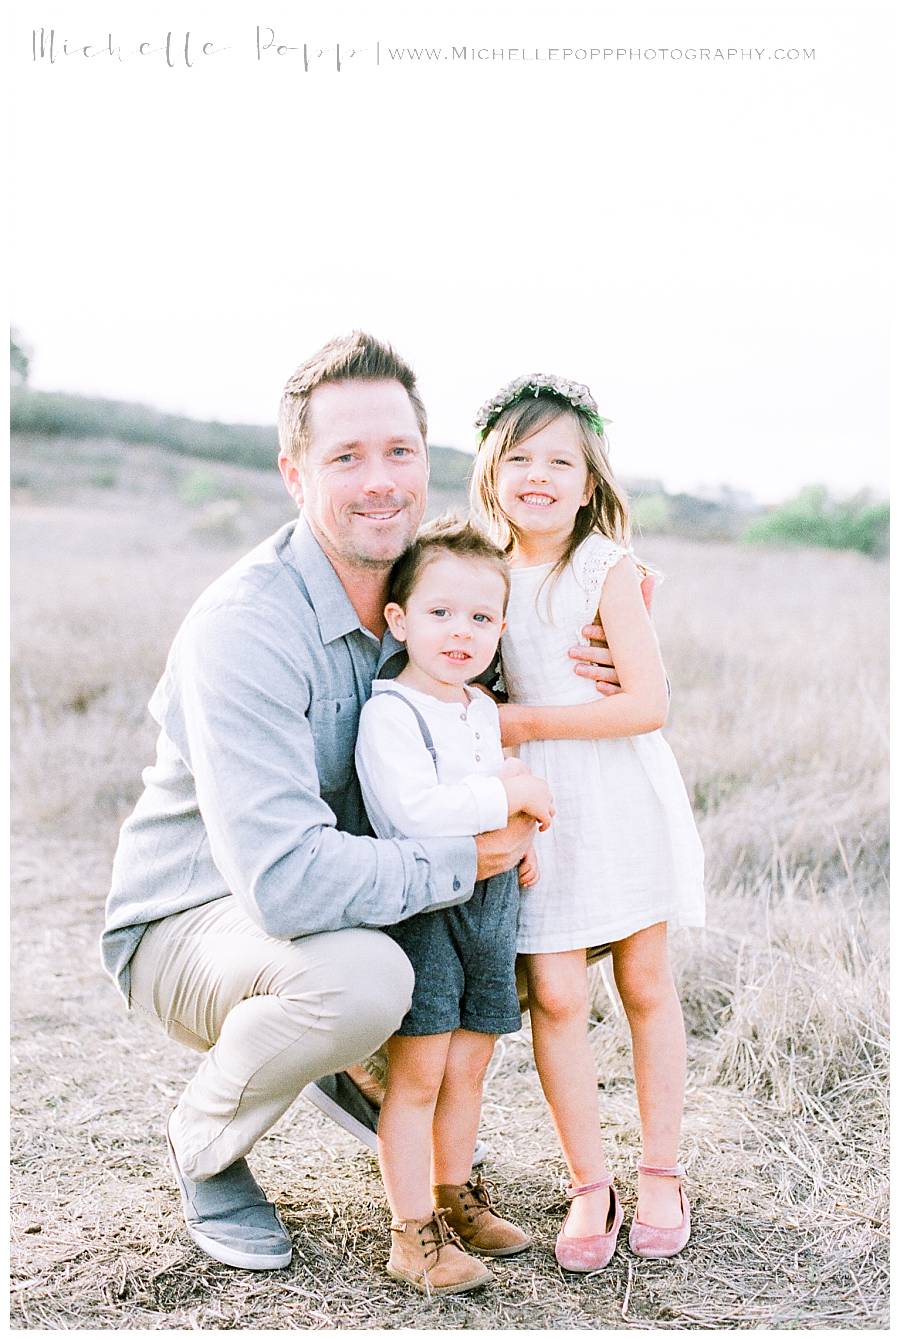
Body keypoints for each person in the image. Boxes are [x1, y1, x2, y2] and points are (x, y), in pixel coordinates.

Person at [99, 332, 617, 1273]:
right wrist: (475, 855)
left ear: (427, 462)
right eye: (346, 457)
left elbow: (506, 640)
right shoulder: (247, 627)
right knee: (368, 980)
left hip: (342, 903)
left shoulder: (426, 590)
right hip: (192, 919)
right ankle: (206, 1145)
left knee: (436, 1000)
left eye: (399, 453)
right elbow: (287, 886)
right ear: (295, 474)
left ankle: (362, 1073)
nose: (380, 481)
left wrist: (611, 635)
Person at [469, 372, 705, 1270]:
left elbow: (646, 703)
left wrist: (526, 720)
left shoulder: (604, 566)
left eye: (560, 460)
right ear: (490, 470)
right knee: (559, 995)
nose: (540, 475)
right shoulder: (477, 567)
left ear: (590, 478)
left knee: (644, 982)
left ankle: (660, 1170)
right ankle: (588, 1181)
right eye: (520, 457)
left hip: (617, 790)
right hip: (540, 806)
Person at [355, 516, 552, 1294]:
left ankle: (454, 1192)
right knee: (421, 1073)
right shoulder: (391, 712)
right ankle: (412, 1233)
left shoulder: (475, 706)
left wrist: (524, 829)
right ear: (399, 620)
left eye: (480, 618)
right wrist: (509, 794)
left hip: (490, 904)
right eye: (440, 613)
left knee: (471, 1063)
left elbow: (496, 779)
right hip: (425, 910)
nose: (460, 633)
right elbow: (414, 812)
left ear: (501, 629)